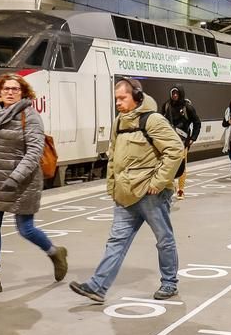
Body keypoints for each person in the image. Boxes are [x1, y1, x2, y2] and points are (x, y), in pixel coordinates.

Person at [71, 79, 184, 303]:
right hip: (125, 194)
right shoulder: (118, 123)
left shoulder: (153, 120)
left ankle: (169, 283)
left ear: (138, 97)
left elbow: (175, 150)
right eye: (116, 99)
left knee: (164, 239)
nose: (118, 103)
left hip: (151, 194)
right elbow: (114, 158)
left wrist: (159, 182)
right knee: (116, 241)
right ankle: (98, 287)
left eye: (122, 98)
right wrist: (112, 187)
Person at [0, 73, 68, 297]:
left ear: (23, 93)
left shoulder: (29, 116)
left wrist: (15, 177)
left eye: (15, 89)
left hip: (22, 183)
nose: (10, 92)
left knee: (26, 229)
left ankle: (55, 253)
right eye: (6, 89)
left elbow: (34, 152)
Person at [162, 86, 201, 199]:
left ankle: (181, 189)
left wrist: (193, 137)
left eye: (176, 93)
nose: (174, 96)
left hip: (183, 140)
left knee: (182, 165)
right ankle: (170, 186)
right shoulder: (166, 105)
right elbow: (160, 120)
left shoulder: (187, 107)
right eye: (173, 93)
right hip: (169, 139)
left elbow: (197, 122)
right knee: (168, 164)